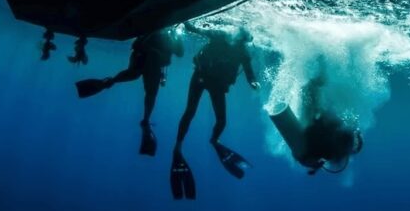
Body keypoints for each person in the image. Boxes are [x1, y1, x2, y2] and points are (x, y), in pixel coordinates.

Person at [170, 23, 259, 200]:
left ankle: (214, 140)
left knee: (222, 121)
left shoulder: (242, 51)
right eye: (240, 39)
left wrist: (253, 82)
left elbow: (249, 71)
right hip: (201, 76)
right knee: (190, 111)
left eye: (243, 41)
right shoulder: (220, 35)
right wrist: (185, 24)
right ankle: (178, 147)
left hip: (217, 84)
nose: (240, 42)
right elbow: (198, 30)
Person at [74, 27, 184, 156]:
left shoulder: (164, 35)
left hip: (140, 57)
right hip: (150, 59)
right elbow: (178, 52)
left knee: (134, 75)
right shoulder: (164, 35)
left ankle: (109, 82)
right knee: (150, 91)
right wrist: (176, 39)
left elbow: (177, 52)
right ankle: (145, 120)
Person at [270, 61, 363, 175]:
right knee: (311, 90)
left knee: (310, 90)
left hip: (310, 133)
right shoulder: (336, 149)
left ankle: (316, 62)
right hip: (311, 132)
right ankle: (317, 62)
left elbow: (305, 156)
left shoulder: (334, 150)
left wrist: (313, 165)